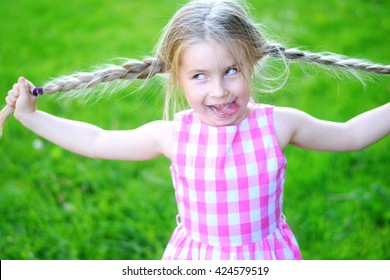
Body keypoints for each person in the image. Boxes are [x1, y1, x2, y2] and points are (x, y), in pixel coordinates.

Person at [4, 0, 390, 260]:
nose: (219, 90)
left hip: (267, 257)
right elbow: (97, 140)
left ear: (252, 65)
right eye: (200, 76)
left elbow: (351, 134)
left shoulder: (278, 124)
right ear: (178, 78)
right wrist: (33, 117)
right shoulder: (173, 135)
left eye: (232, 71)